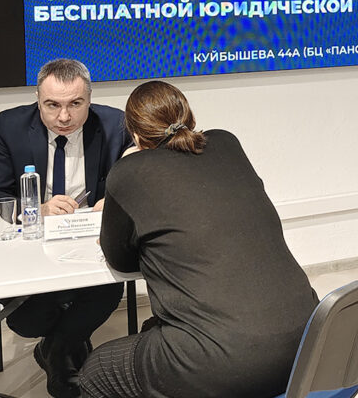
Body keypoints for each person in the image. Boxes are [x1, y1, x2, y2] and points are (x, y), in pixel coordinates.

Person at [78, 80, 319, 398]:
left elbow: (119, 260)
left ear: (135, 135)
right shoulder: (227, 143)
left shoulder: (127, 172)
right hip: (311, 342)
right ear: (189, 117)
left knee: (95, 371)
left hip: (228, 363)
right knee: (155, 329)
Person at [0, 59, 131, 398]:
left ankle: (57, 352)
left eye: (75, 104)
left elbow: (138, 181)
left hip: (89, 243)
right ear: (37, 99)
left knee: (107, 289)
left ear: (89, 99)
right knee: (27, 319)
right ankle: (68, 343)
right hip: (30, 244)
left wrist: (115, 201)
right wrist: (37, 209)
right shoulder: (10, 126)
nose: (64, 117)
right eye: (52, 105)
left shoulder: (115, 125)